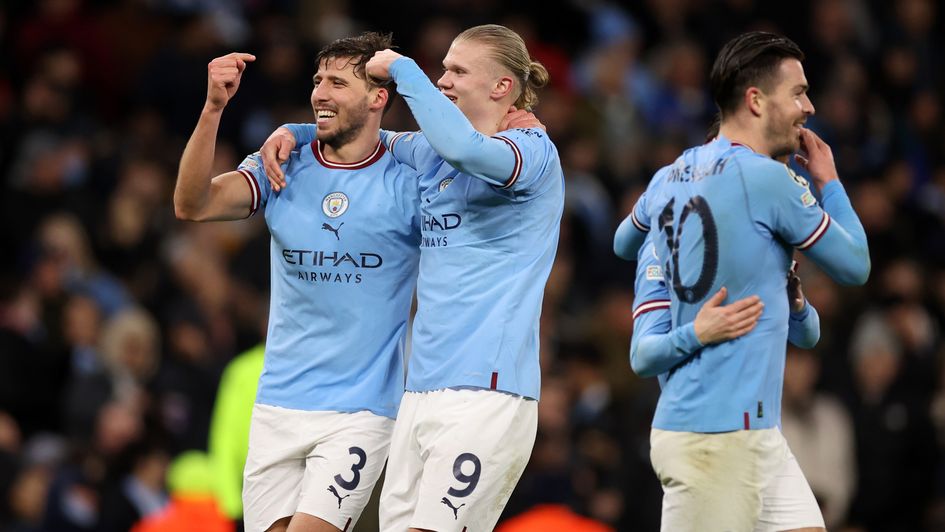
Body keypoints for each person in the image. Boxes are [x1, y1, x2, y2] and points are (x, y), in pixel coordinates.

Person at [264, 23, 564, 532]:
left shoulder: (532, 153)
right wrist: (296, 132)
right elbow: (364, 137)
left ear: (501, 88)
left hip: (487, 392)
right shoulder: (428, 153)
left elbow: (471, 152)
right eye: (441, 68)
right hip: (420, 390)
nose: (442, 80)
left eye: (456, 70)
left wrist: (403, 69)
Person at [613, 31, 869, 531]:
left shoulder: (670, 176)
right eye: (797, 92)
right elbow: (855, 265)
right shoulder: (767, 179)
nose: (809, 106)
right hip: (711, 435)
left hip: (757, 433)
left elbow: (626, 242)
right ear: (755, 100)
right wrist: (829, 182)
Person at [173, 33, 422, 532]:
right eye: (317, 81)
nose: (321, 93)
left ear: (378, 98)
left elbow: (456, 150)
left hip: (362, 408)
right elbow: (192, 204)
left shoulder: (408, 176)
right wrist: (212, 109)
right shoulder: (282, 164)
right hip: (277, 404)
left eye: (337, 82)